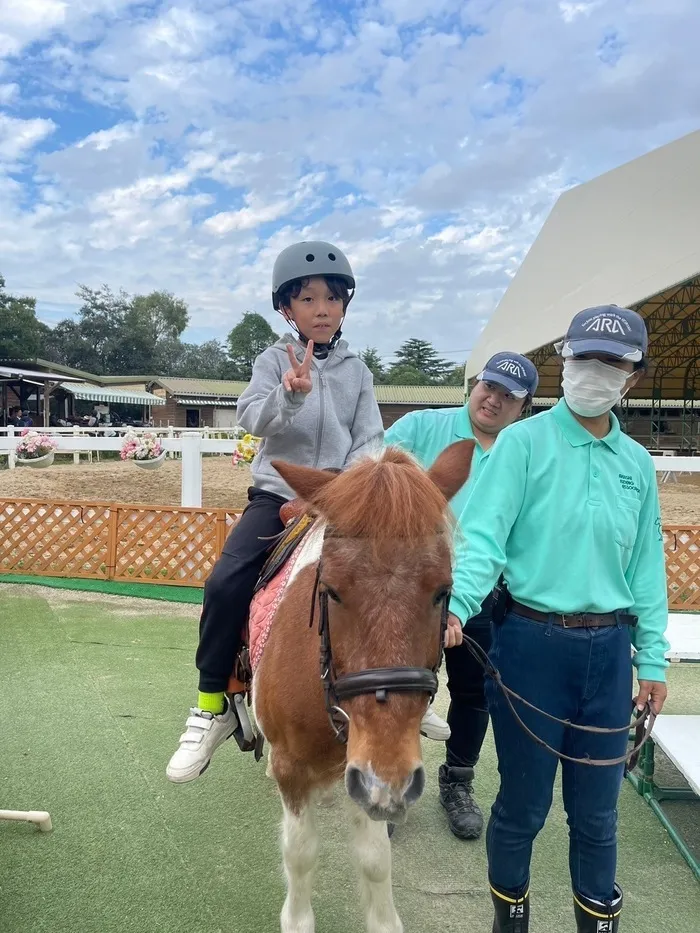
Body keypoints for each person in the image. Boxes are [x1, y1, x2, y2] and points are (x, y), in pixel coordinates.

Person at [450, 306, 669, 932]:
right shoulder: (524, 443)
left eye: (612, 363)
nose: (593, 373)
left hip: (610, 654)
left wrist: (651, 658)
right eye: (583, 359)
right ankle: (509, 921)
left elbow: (646, 571)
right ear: (564, 363)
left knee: (598, 816)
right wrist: (459, 608)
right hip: (529, 644)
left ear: (631, 377)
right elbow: (483, 540)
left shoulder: (636, 464)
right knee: (522, 806)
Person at [166, 240, 385, 784]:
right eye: (307, 299)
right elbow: (252, 422)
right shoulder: (272, 360)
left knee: (391, 580)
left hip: (338, 500)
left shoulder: (359, 372)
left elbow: (370, 438)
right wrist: (288, 396)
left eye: (331, 299)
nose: (321, 309)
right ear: (286, 308)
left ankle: (397, 693)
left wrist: (345, 488)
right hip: (277, 498)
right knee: (224, 582)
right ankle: (209, 705)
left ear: (344, 306)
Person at [385, 351, 539, 840]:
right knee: (399, 686)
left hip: (485, 589)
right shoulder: (420, 427)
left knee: (474, 691)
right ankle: (392, 781)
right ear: (473, 385)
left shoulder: (523, 453)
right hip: (410, 586)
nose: (493, 399)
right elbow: (371, 476)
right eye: (488, 387)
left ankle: (457, 782)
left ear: (524, 407)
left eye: (508, 396)